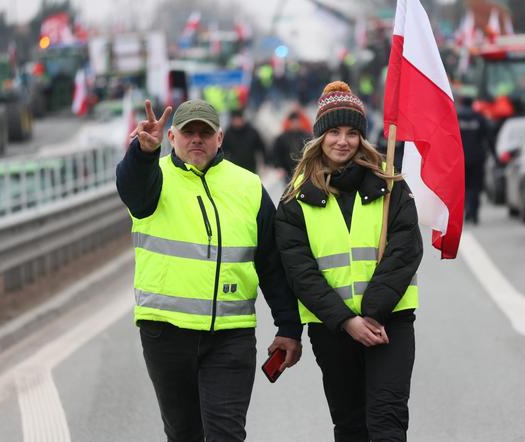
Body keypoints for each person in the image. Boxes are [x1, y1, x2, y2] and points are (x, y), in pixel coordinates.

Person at [116, 99, 303, 441]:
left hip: (231, 337)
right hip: (166, 335)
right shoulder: (152, 179)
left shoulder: (248, 187)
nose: (196, 140)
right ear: (172, 137)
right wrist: (142, 153)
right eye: (189, 132)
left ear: (220, 138)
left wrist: (289, 326)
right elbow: (130, 188)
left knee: (226, 435)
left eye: (205, 132)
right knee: (184, 434)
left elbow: (273, 264)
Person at [274, 81, 422, 442]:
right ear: (319, 137)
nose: (343, 141)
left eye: (353, 132)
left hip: (389, 323)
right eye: (334, 131)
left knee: (387, 424)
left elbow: (406, 249)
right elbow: (300, 272)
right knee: (352, 427)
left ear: (363, 137)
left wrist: (372, 312)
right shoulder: (296, 199)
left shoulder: (390, 185)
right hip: (332, 330)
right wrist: (347, 322)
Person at [456, 89, 488, 224]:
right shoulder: (479, 118)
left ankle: (466, 211)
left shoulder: (456, 117)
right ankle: (473, 213)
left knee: (462, 187)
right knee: (475, 187)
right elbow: (488, 137)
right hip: (477, 159)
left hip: (460, 159)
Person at [221, 107, 266, 173]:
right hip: (235, 168)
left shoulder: (252, 132)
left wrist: (265, 162)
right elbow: (223, 150)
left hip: (250, 167)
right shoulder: (228, 133)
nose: (237, 121)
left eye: (239, 119)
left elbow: (261, 147)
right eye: (235, 119)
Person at [272, 110, 311, 181]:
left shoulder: (307, 136)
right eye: (293, 122)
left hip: (304, 171)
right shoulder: (282, 138)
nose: (295, 124)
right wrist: (278, 167)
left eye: (297, 121)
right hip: (287, 172)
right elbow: (276, 154)